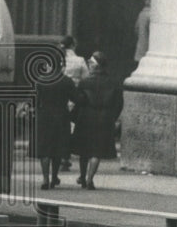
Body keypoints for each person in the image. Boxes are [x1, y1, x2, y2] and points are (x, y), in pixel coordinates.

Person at [71, 50, 123, 190]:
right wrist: (112, 117)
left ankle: (82, 177)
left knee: (84, 150)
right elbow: (119, 103)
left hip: (86, 117)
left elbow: (79, 101)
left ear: (96, 66)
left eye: (90, 62)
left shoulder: (85, 82)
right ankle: (90, 179)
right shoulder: (113, 82)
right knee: (96, 150)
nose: (88, 64)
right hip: (104, 118)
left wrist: (74, 117)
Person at [34, 45, 77, 190]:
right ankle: (54, 177)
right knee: (57, 149)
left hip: (44, 116)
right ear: (61, 65)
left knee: (45, 149)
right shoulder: (66, 81)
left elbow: (34, 100)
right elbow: (76, 98)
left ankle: (45, 178)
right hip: (61, 116)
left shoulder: (40, 80)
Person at [59, 35, 89, 169]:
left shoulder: (57, 59)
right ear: (73, 45)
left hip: (59, 95)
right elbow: (86, 78)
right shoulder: (80, 60)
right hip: (73, 95)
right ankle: (66, 157)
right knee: (69, 127)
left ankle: (58, 155)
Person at [133, 0, 151, 70]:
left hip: (140, 51)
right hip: (148, 53)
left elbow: (136, 29)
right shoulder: (151, 16)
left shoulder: (141, 14)